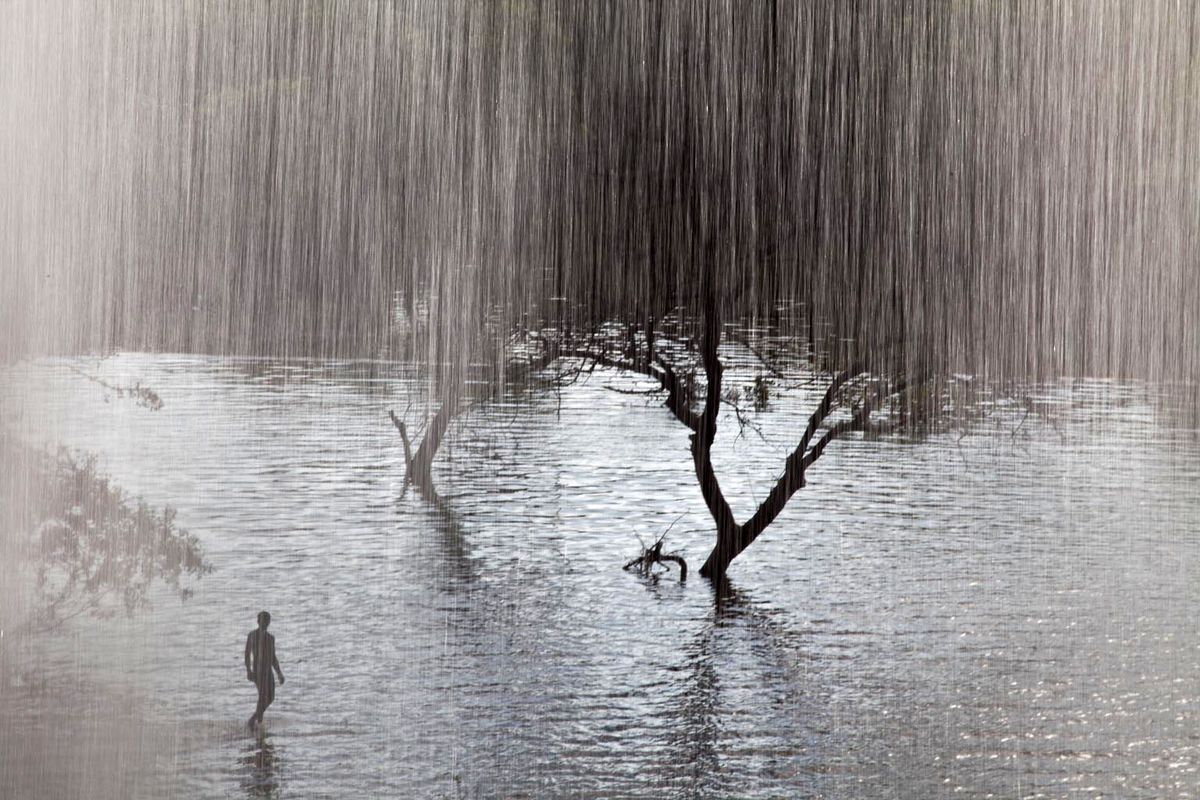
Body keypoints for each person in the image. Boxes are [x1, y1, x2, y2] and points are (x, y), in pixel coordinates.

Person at [245, 611, 285, 729]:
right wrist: (248, 670)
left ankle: (256, 720)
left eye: (266, 621)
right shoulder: (252, 635)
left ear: (269, 623)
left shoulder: (270, 638)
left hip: (268, 671)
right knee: (263, 697)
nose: (264, 623)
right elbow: (247, 654)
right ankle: (254, 721)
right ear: (258, 622)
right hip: (258, 671)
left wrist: (279, 673)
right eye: (262, 621)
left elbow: (273, 657)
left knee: (270, 697)